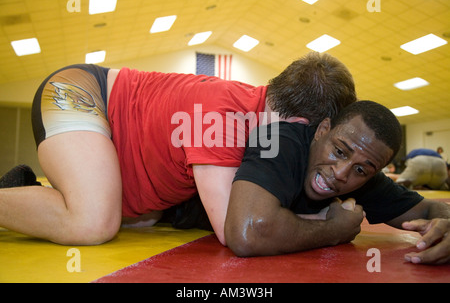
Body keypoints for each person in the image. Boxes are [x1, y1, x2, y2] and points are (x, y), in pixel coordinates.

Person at [0, 52, 356, 246]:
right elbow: (235, 230)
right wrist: (331, 227)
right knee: (93, 223)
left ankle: (18, 193)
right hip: (81, 92)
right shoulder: (224, 116)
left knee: (137, 220)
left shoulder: (259, 118)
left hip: (115, 142)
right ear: (305, 128)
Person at [225, 101, 450, 265]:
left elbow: (429, 208)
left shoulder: (365, 177)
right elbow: (248, 233)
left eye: (360, 170)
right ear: (322, 130)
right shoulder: (278, 140)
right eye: (339, 151)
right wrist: (335, 230)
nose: (342, 173)